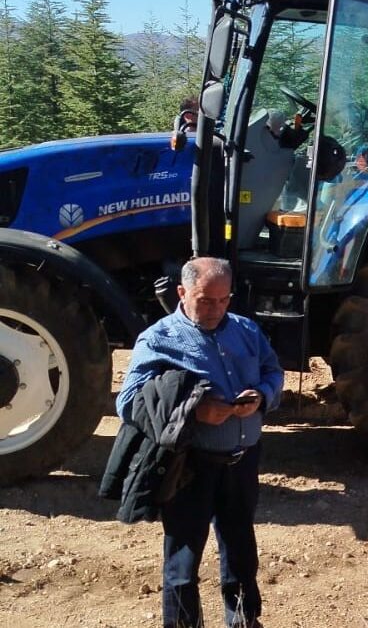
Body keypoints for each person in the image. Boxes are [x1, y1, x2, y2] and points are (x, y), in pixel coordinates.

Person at [116, 257, 284, 627]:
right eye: (206, 300)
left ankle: (242, 621)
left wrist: (261, 396)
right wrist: (196, 413)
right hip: (191, 466)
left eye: (224, 300)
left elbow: (273, 371)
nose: (216, 309)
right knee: (183, 558)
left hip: (242, 461)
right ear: (182, 292)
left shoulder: (246, 331)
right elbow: (128, 402)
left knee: (241, 551)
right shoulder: (159, 339)